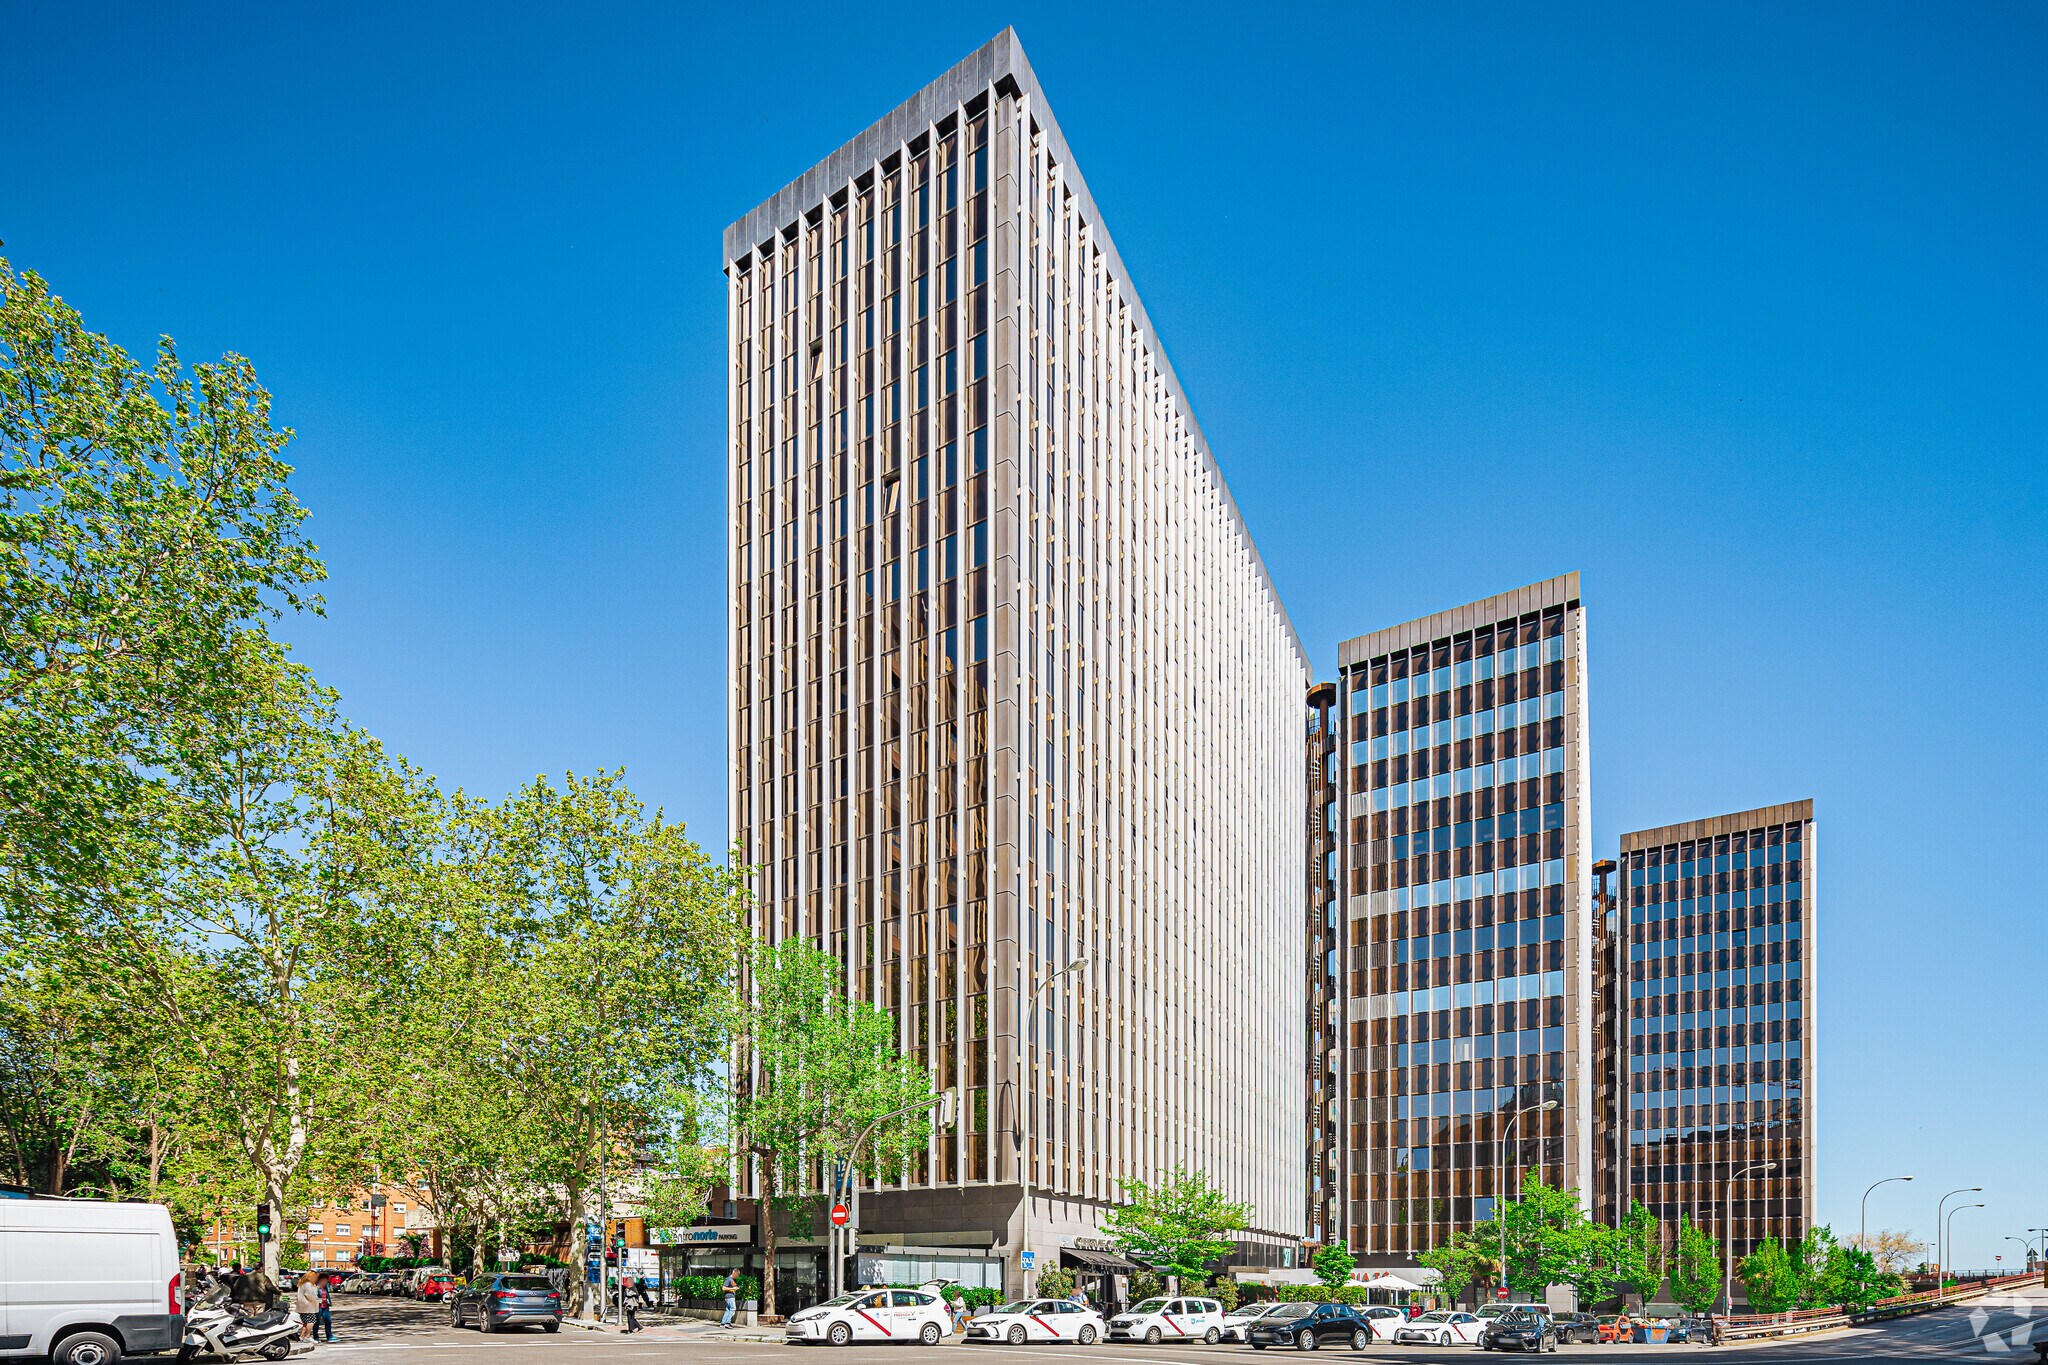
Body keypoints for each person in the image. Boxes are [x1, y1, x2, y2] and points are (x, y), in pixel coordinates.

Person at [294, 1274, 322, 1339]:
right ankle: (308, 1336)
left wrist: (316, 1287)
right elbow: (310, 1295)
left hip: (304, 1306)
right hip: (308, 1306)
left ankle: (302, 1336)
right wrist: (319, 1300)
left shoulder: (303, 1284)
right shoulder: (308, 1284)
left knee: (305, 1322)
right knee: (311, 1321)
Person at [314, 1275, 335, 1342]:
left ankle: (329, 1336)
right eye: (325, 1280)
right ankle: (316, 1337)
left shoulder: (325, 1287)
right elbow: (313, 1296)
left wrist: (329, 1302)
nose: (326, 1282)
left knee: (328, 1320)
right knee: (317, 1322)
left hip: (325, 1306)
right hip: (318, 1306)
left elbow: (327, 1295)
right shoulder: (315, 1287)